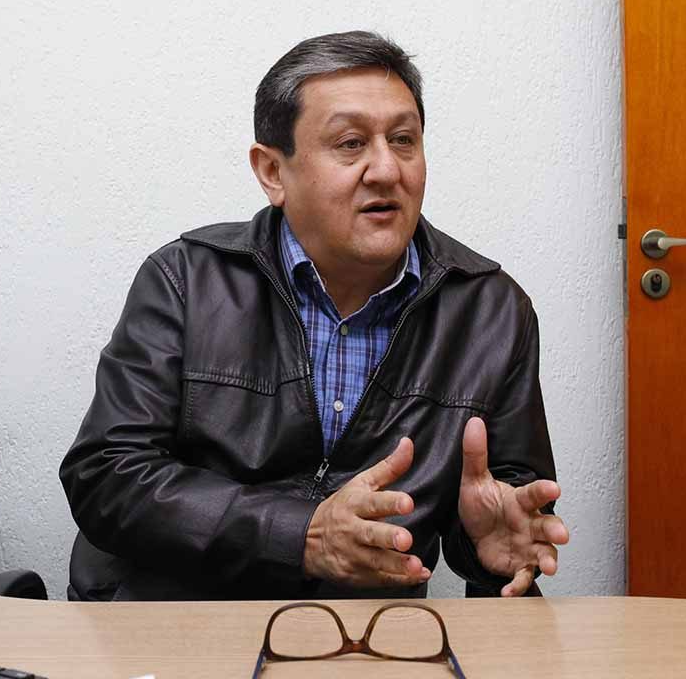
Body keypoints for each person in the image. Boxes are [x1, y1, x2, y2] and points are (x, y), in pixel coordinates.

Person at [59, 30, 569, 601]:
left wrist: (487, 549)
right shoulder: (186, 281)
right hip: (175, 619)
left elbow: (503, 507)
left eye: (404, 140)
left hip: (362, 635)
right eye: (351, 143)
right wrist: (299, 534)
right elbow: (106, 475)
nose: (386, 169)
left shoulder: (491, 311)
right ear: (273, 172)